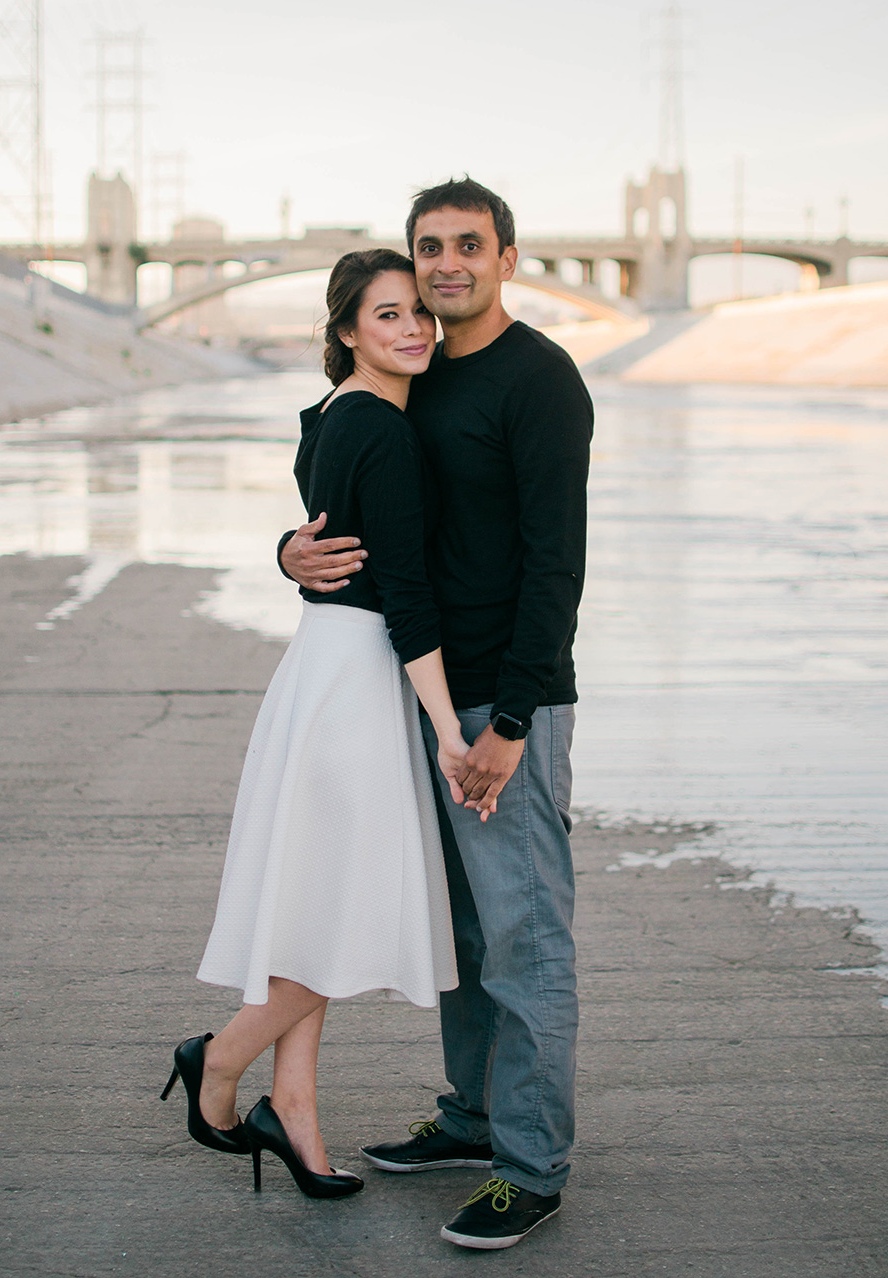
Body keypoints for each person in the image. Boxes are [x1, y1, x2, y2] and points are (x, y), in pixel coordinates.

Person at [279, 178, 593, 1249]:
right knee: (462, 928)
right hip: (417, 686)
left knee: (523, 932)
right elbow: (355, 507)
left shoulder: (540, 382)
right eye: (430, 248)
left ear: (507, 255)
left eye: (468, 244)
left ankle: (530, 1163)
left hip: (500, 701)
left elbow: (557, 564)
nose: (446, 263)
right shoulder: (415, 374)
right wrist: (289, 553)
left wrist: (509, 719)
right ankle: (471, 1115)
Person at [162, 247, 470, 1201]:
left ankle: (293, 1109)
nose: (413, 328)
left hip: (324, 664)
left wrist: (287, 554)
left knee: (316, 903)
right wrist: (450, 731)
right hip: (359, 679)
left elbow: (330, 538)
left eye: (418, 313)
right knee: (354, 909)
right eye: (387, 316)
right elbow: (407, 595)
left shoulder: (331, 416)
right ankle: (219, 1059)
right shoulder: (382, 428)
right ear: (346, 334)